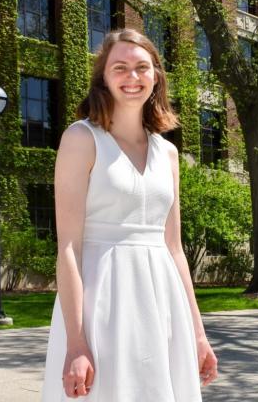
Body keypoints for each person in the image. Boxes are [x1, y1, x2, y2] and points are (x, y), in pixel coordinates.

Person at [41, 28, 218, 401]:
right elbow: (68, 249)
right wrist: (76, 343)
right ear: (103, 78)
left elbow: (175, 249)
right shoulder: (81, 139)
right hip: (102, 300)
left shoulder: (167, 153)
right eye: (119, 67)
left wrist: (198, 334)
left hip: (161, 299)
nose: (132, 77)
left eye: (142, 67)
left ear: (156, 76)